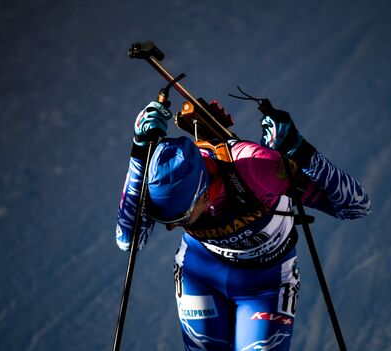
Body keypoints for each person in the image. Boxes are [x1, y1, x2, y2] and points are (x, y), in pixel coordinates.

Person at [115, 99, 371, 350]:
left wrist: (300, 150)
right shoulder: (161, 177)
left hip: (266, 285)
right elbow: (128, 240)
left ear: (203, 194)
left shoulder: (257, 169)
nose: (171, 228)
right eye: (165, 220)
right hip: (200, 276)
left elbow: (355, 205)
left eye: (179, 219)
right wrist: (139, 152)